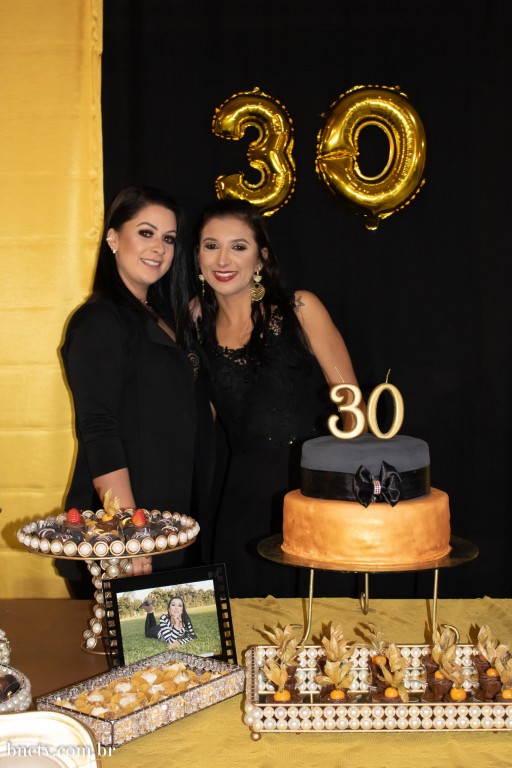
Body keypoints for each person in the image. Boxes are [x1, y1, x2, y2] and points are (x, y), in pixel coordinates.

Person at [194, 198, 361, 598]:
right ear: (197, 255)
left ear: (261, 257)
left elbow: (353, 406)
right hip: (241, 497)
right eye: (211, 245)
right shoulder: (195, 320)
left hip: (312, 490)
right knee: (246, 614)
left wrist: (346, 494)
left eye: (238, 246)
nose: (223, 259)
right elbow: (201, 416)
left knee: (319, 619)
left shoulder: (300, 308)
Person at [58, 186, 213, 597]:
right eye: (145, 233)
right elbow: (99, 428)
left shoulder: (160, 318)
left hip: (168, 524)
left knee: (174, 641)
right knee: (130, 641)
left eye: (169, 238)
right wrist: (129, 530)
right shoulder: (99, 321)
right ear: (113, 238)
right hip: (122, 534)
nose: (158, 248)